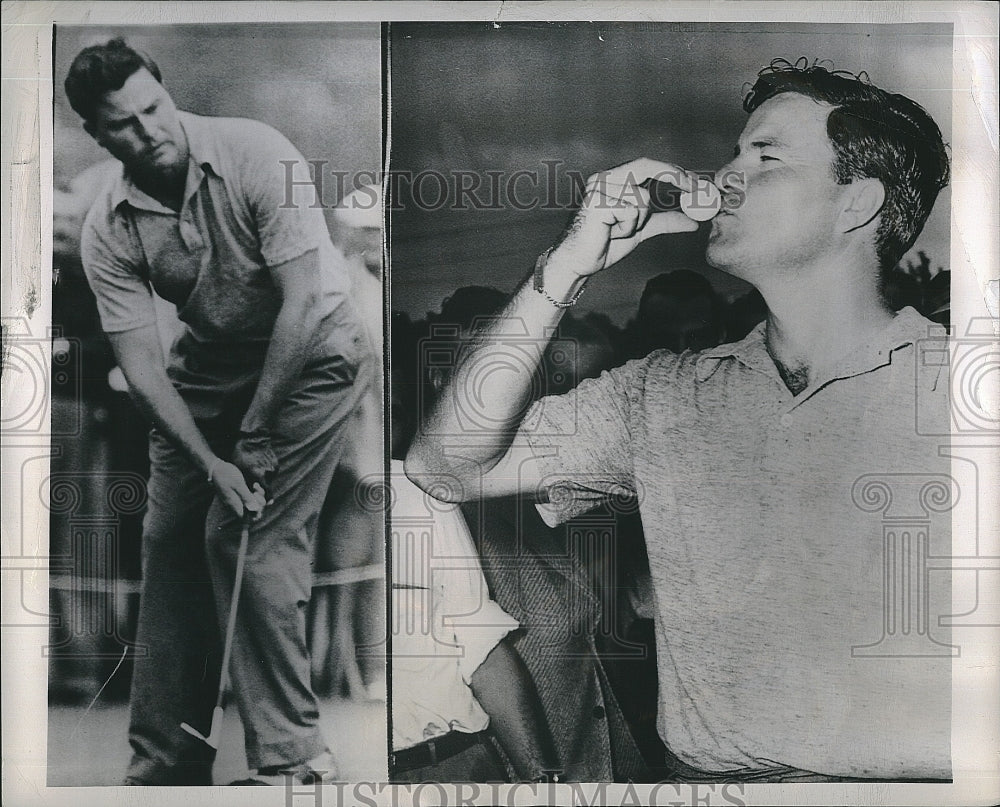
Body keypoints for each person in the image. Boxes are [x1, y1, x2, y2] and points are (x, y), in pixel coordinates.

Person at [407, 59, 952, 781]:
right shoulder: (660, 394)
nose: (727, 174)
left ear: (856, 203)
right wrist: (569, 263)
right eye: (733, 151)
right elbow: (444, 468)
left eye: (766, 156)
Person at [66, 39, 372, 785]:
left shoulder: (257, 152)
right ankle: (165, 758)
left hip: (317, 352)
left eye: (154, 108)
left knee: (246, 538)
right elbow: (141, 364)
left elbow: (302, 300)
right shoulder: (107, 224)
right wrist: (209, 459)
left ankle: (297, 757)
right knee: (170, 535)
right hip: (209, 365)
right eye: (126, 125)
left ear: (166, 96)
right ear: (100, 137)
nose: (150, 131)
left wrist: (256, 436)